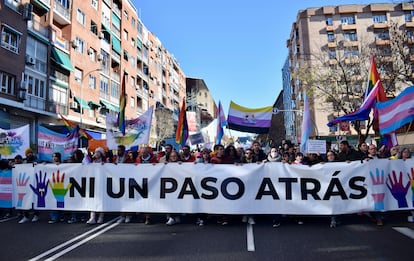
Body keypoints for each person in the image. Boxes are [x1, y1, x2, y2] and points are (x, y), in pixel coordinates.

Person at [135, 146, 158, 224]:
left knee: (149, 199)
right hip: (141, 181)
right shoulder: (138, 159)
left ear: (148, 152)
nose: (142, 154)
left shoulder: (153, 159)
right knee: (142, 199)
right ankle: (143, 216)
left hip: (151, 181)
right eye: (141, 152)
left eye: (144, 152)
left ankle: (148, 217)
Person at [86, 147, 106, 224]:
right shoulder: (91, 160)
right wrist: (89, 157)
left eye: (98, 152)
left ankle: (101, 217)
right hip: (93, 182)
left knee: (101, 200)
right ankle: (92, 217)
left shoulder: (104, 161)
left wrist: (105, 165)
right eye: (96, 152)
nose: (96, 154)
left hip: (102, 182)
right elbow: (83, 163)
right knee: (92, 199)